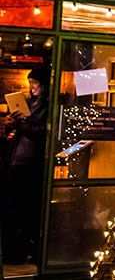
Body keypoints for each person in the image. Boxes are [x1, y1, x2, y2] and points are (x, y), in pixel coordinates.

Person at [1, 66, 50, 264]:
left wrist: (22, 123)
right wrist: (11, 123)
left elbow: (41, 132)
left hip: (30, 163)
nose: (32, 88)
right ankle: (11, 250)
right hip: (15, 160)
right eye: (31, 84)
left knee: (24, 210)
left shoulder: (47, 106)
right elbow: (17, 132)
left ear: (44, 85)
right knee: (11, 208)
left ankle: (20, 251)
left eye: (36, 83)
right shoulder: (29, 103)